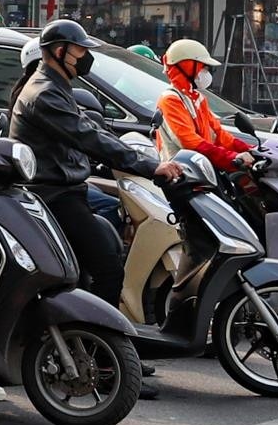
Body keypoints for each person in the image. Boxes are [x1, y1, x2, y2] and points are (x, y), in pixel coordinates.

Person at [10, 18, 180, 310]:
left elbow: (93, 128)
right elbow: (88, 137)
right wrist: (150, 168)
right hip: (53, 195)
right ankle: (102, 343)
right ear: (58, 52)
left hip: (68, 189)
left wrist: (145, 156)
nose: (85, 57)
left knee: (92, 263)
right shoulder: (44, 93)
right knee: (108, 269)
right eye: (78, 50)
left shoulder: (56, 85)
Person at [154, 39, 253, 171]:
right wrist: (231, 157)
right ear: (188, 66)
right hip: (181, 175)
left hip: (203, 170)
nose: (207, 72)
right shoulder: (170, 100)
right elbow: (190, 142)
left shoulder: (197, 98)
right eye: (204, 67)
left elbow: (218, 134)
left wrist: (249, 150)